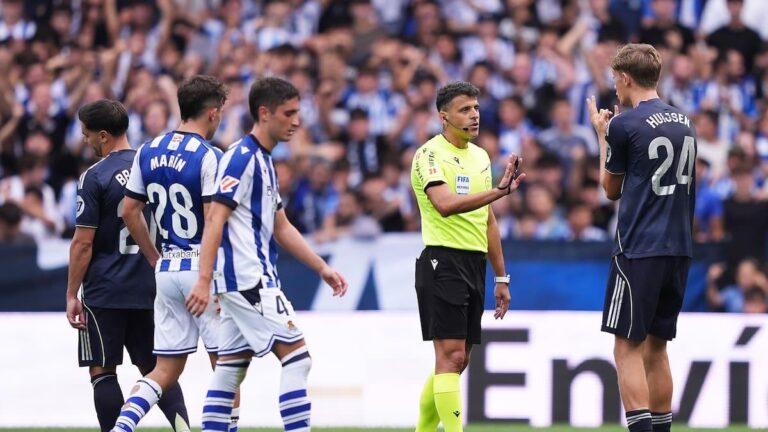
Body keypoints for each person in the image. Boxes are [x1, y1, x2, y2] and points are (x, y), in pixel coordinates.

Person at [185, 77, 349, 432]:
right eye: (288, 113)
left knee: (229, 370)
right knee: (298, 359)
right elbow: (214, 218)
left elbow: (282, 226)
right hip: (249, 279)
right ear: (264, 113)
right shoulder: (241, 159)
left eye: (298, 113)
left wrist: (321, 267)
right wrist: (203, 279)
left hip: (241, 281)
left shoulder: (264, 161)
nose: (297, 122)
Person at [111, 76, 241, 432]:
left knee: (164, 370)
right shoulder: (210, 156)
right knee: (227, 367)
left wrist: (154, 257)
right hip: (202, 269)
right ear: (212, 113)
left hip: (167, 267)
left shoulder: (148, 150)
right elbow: (213, 220)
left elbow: (129, 210)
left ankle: (121, 428)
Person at [586, 43, 697, 432]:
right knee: (657, 348)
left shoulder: (625, 124)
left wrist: (602, 135)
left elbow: (610, 189)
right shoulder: (684, 121)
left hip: (638, 248)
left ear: (625, 77)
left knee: (626, 348)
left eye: (615, 79)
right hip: (679, 247)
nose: (615, 87)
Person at [65, 99, 189, 432]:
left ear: (104, 135)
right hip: (150, 286)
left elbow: (83, 243)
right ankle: (184, 429)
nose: (86, 140)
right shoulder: (153, 169)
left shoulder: (94, 177)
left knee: (102, 371)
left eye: (87, 134)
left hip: (105, 290)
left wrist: (72, 294)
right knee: (157, 370)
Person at [410, 81, 525, 432]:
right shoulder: (429, 155)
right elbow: (444, 205)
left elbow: (487, 220)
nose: (474, 115)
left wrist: (501, 277)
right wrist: (497, 192)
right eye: (464, 110)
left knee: (458, 362)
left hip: (475, 264)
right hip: (441, 261)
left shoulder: (480, 157)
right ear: (443, 116)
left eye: (476, 108)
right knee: (452, 356)